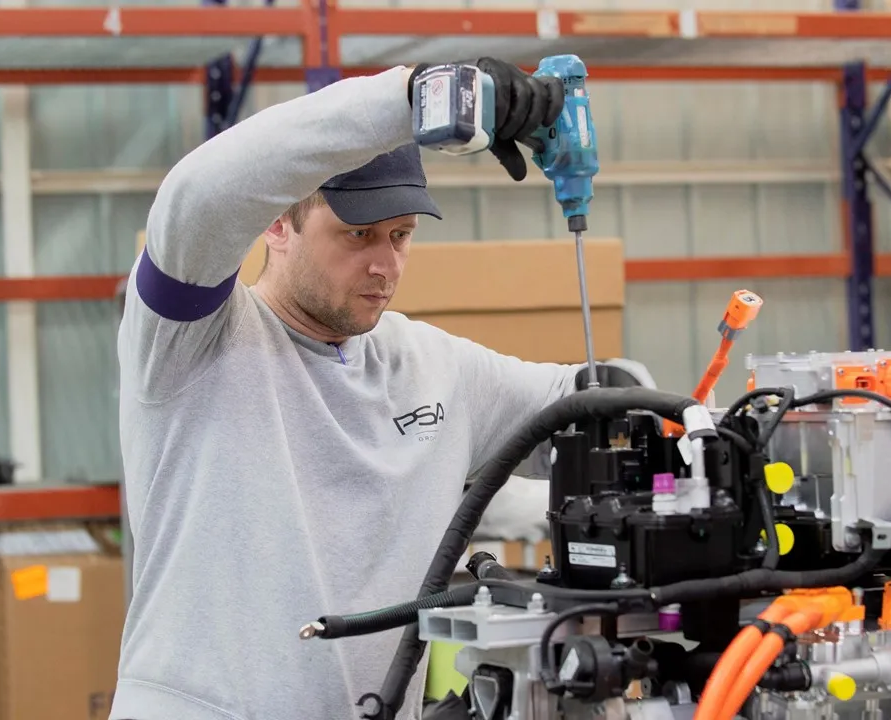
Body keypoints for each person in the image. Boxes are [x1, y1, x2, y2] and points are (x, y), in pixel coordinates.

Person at [111, 58, 650, 720]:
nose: (385, 264)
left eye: (400, 235)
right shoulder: (190, 340)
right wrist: (415, 97)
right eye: (358, 234)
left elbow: (583, 403)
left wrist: (646, 405)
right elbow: (197, 198)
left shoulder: (431, 367)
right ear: (276, 224)